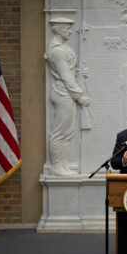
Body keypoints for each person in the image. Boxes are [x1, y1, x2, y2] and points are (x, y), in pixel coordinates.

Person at [45, 17, 91, 176]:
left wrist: (79, 73)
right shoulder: (57, 51)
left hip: (67, 92)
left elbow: (70, 70)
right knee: (60, 131)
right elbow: (65, 76)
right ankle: (56, 166)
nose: (70, 31)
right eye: (67, 28)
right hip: (63, 92)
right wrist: (79, 96)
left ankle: (63, 163)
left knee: (67, 131)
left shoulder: (63, 48)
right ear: (57, 29)